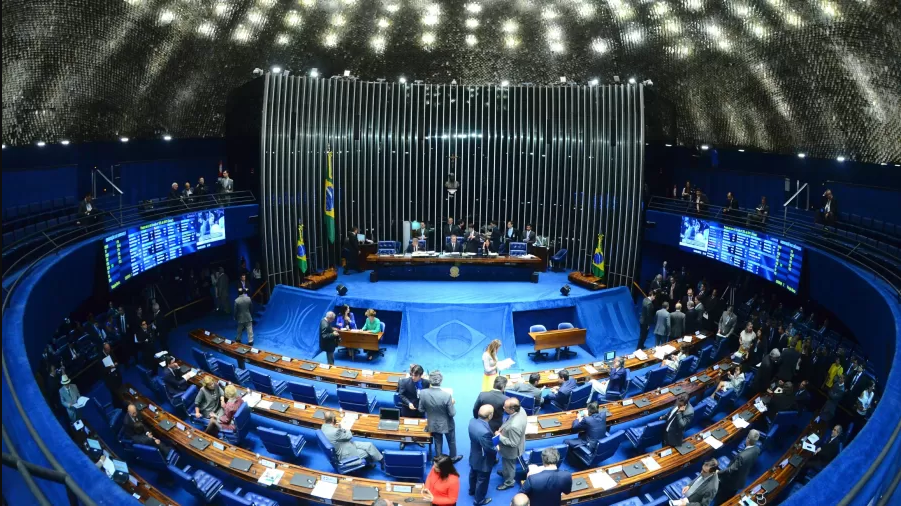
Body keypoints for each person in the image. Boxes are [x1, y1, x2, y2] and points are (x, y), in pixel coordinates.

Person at [419, 371, 461, 462]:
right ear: (441, 381)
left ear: (430, 381)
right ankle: (453, 458)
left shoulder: (422, 393)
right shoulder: (447, 396)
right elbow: (452, 413)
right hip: (447, 424)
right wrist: (452, 403)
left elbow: (421, 409)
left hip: (433, 423)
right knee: (451, 441)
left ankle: (439, 459)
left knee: (438, 442)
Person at [496, 398, 527, 490]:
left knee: (509, 465)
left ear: (512, 409)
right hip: (517, 441)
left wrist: (499, 436)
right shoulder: (521, 410)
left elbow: (513, 443)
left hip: (511, 451)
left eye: (505, 407)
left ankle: (509, 482)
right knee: (506, 464)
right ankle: (506, 473)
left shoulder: (514, 426)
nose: (503, 408)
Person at [469, 405, 496, 506]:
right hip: (483, 460)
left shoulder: (472, 421)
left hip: (474, 454)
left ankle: (472, 490)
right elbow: (489, 449)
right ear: (490, 415)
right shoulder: (484, 432)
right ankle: (479, 500)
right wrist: (497, 448)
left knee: (472, 473)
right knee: (482, 479)